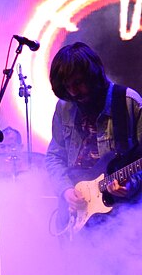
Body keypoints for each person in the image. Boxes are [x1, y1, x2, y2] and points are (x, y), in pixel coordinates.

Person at [45, 42, 142, 234]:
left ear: (94, 76)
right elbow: (54, 156)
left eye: (79, 82)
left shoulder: (128, 102)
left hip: (121, 219)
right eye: (67, 86)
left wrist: (131, 185)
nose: (73, 92)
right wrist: (65, 190)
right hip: (76, 214)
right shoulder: (64, 107)